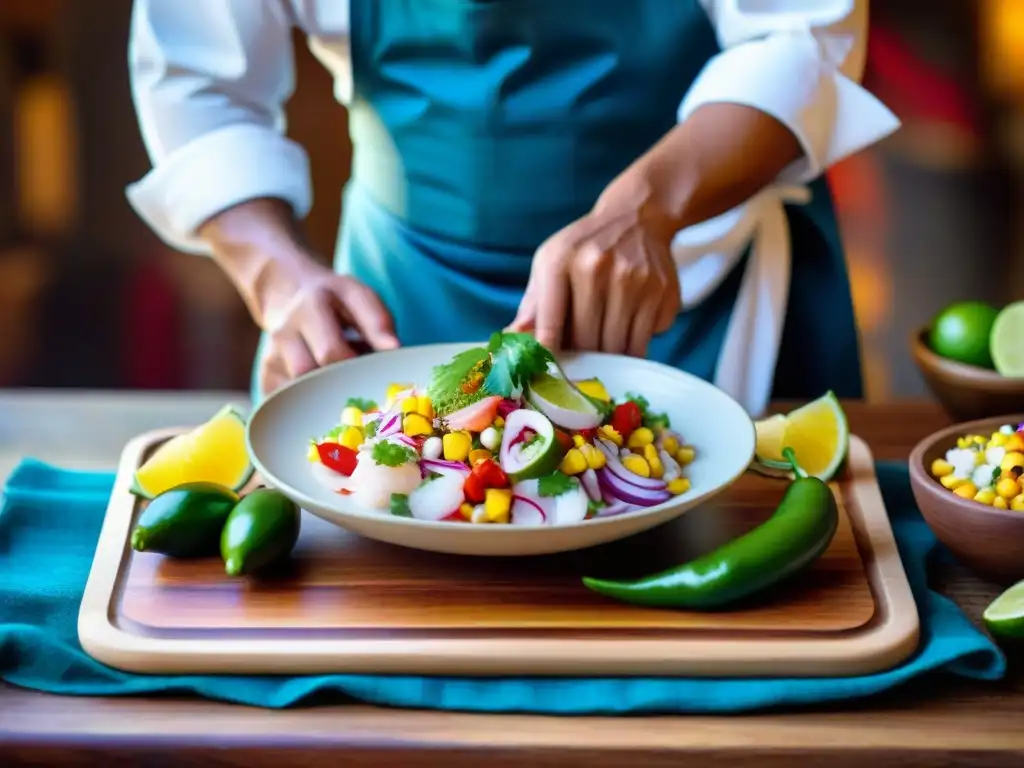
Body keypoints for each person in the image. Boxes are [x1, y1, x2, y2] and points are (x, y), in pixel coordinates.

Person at [126, 0, 898, 417]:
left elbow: (804, 37)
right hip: (395, 297)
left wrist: (649, 208)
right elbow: (198, 84)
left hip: (702, 280)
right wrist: (280, 277)